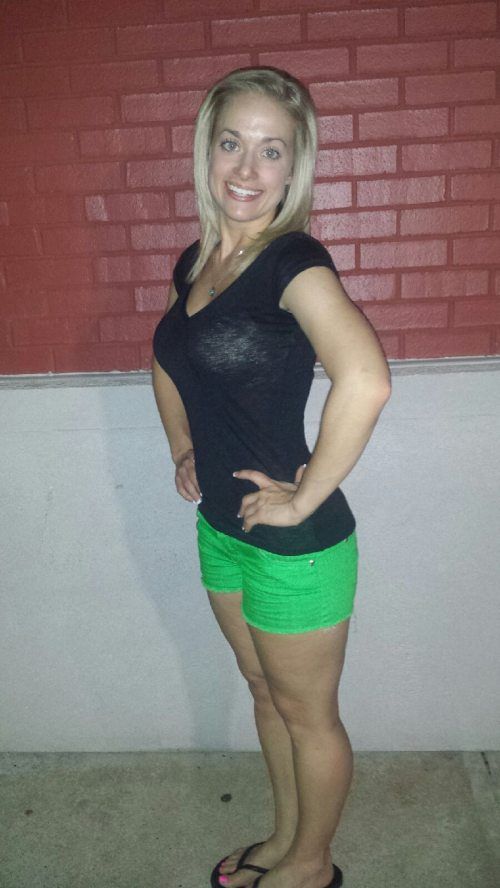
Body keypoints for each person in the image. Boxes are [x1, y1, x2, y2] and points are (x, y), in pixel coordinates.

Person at [152, 67, 391, 888]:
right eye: (232, 143)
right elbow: (168, 357)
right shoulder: (197, 262)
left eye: (271, 150)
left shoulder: (293, 261)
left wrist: (307, 494)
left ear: (295, 168)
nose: (247, 168)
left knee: (308, 715)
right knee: (263, 691)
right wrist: (182, 445)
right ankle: (287, 838)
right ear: (206, 151)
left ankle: (312, 868)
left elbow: (366, 380)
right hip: (222, 526)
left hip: (298, 544)